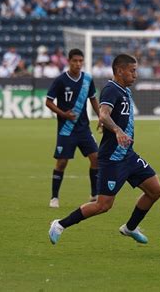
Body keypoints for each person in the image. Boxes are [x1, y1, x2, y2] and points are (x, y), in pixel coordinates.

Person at [49, 54, 160, 245]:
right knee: (103, 205)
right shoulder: (111, 89)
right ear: (119, 71)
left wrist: (113, 126)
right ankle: (59, 224)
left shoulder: (125, 90)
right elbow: (103, 114)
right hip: (112, 159)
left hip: (128, 155)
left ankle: (130, 228)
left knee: (155, 191)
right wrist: (116, 129)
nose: (136, 74)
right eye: (132, 70)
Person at [45, 49, 100, 208]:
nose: (78, 64)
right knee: (62, 163)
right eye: (75, 61)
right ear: (69, 61)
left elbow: (93, 99)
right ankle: (54, 197)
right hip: (66, 129)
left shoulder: (87, 79)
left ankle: (94, 194)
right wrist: (63, 114)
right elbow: (48, 101)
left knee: (96, 158)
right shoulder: (61, 80)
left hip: (83, 128)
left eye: (80, 61)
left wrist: (101, 117)